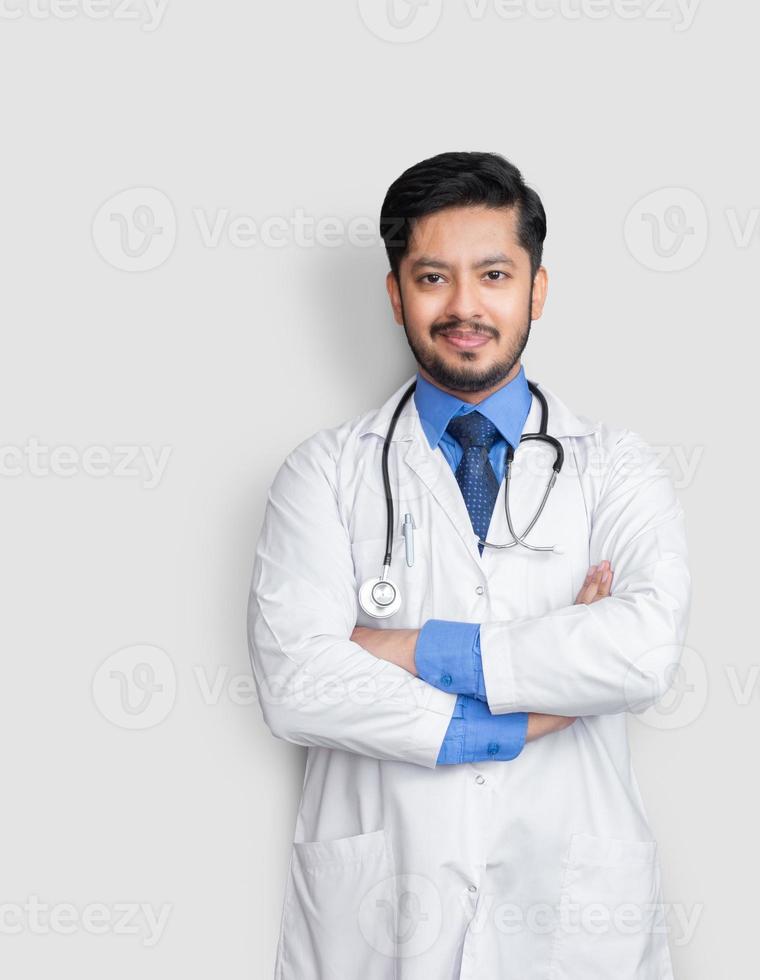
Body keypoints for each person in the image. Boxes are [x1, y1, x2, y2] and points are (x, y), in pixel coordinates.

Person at [245, 150, 692, 980]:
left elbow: (640, 651)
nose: (464, 307)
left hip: (571, 909)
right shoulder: (324, 474)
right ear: (394, 295)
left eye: (493, 273)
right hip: (384, 917)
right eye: (431, 278)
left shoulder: (616, 468)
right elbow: (297, 682)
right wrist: (524, 712)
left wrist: (402, 648)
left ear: (537, 289)